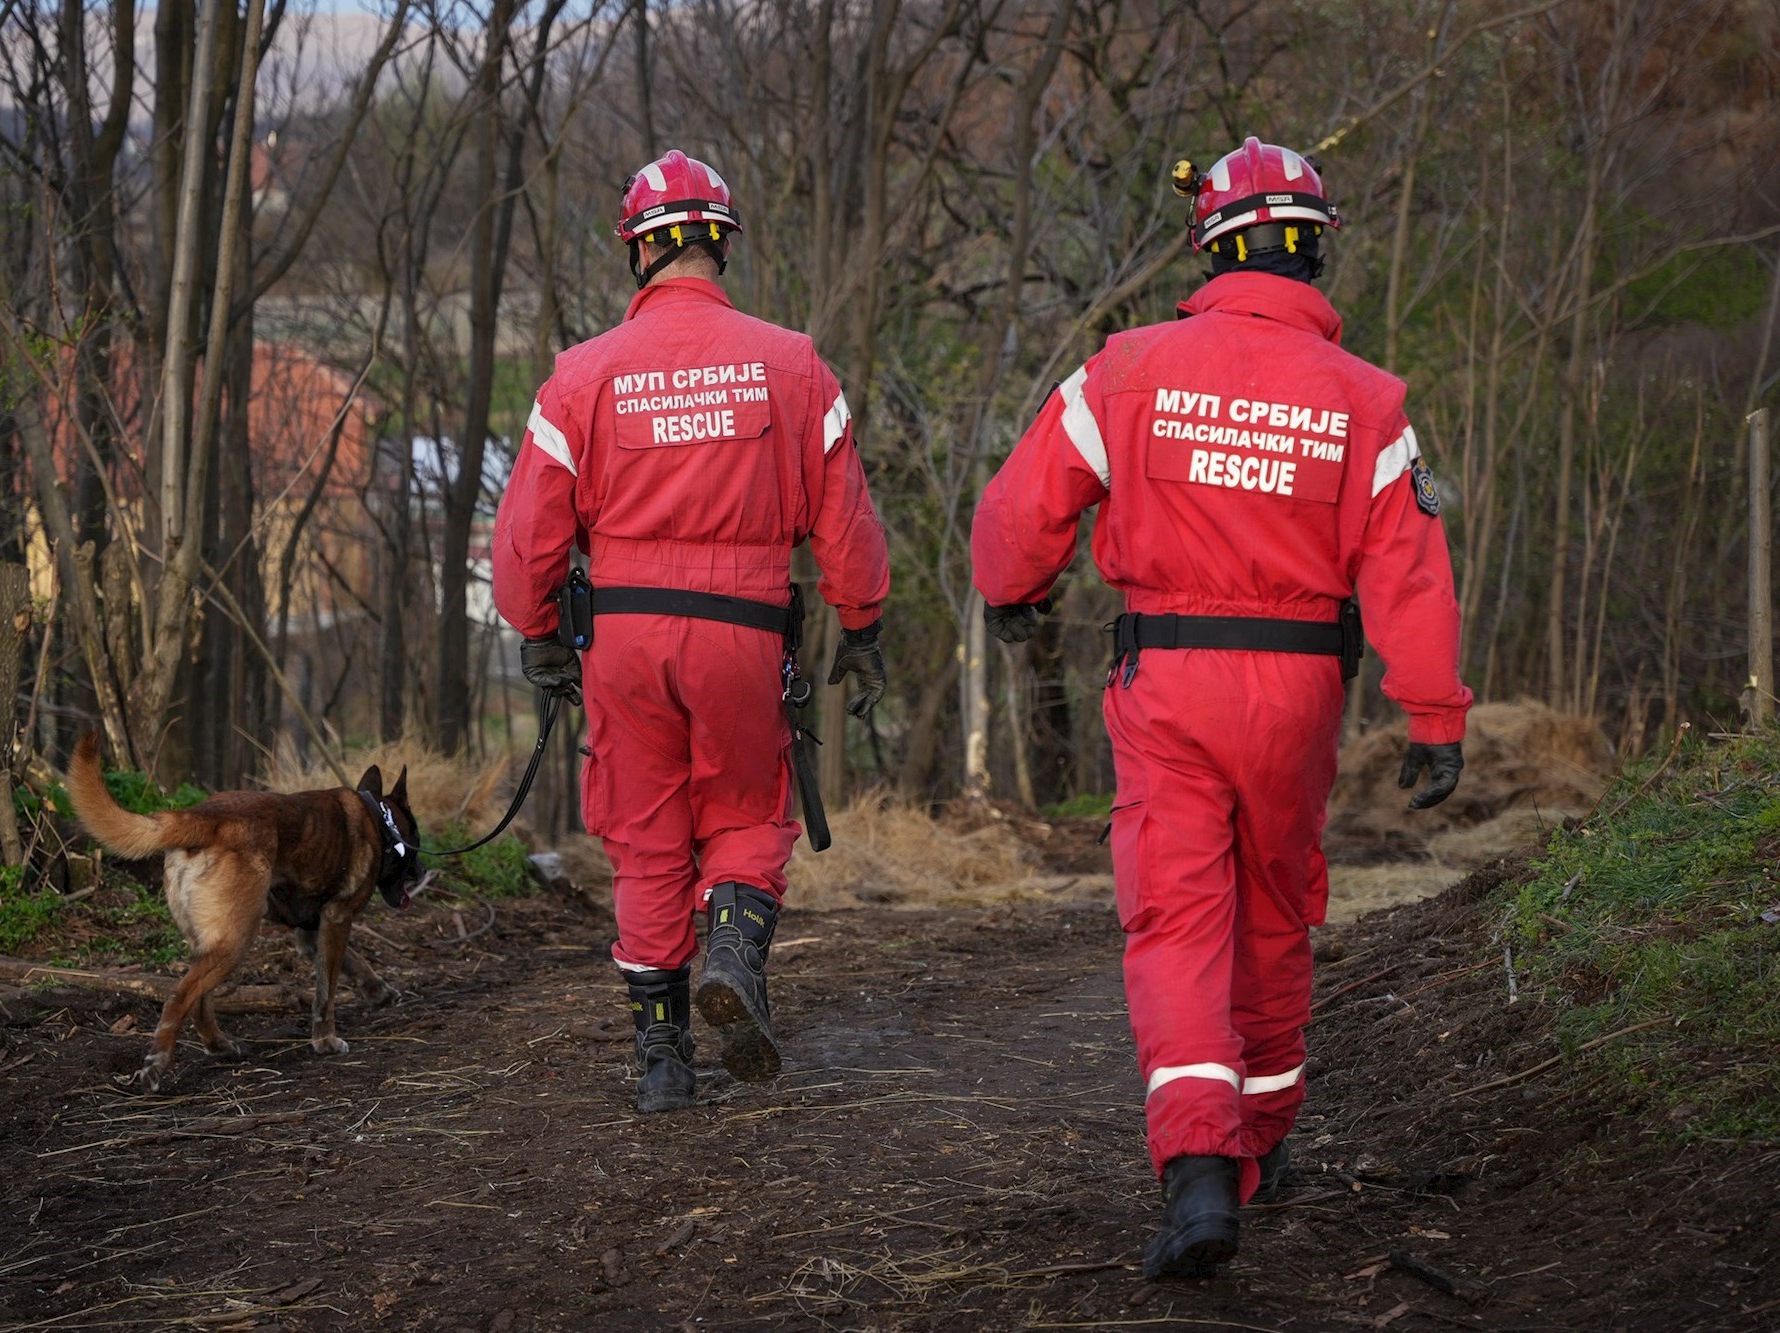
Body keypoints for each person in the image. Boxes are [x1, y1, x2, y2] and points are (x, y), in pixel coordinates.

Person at [971, 137, 1472, 1279]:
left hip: (1169, 683)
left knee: (1178, 918)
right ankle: (1266, 1135)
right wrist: (1433, 716)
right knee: (1275, 907)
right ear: (1314, 253)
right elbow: (1410, 573)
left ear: (1209, 248)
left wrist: (1014, 592)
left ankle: (1200, 1171)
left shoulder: (1125, 368)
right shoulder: (1367, 400)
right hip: (1299, 692)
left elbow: (1020, 509)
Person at [490, 149, 892, 1114]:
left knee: (645, 834)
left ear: (639, 252)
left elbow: (529, 535)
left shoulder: (580, 377)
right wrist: (863, 622)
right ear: (722, 245)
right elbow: (845, 519)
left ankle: (662, 1058)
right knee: (747, 811)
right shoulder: (794, 365)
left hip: (624, 639)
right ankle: (734, 954)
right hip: (744, 632)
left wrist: (539, 629)